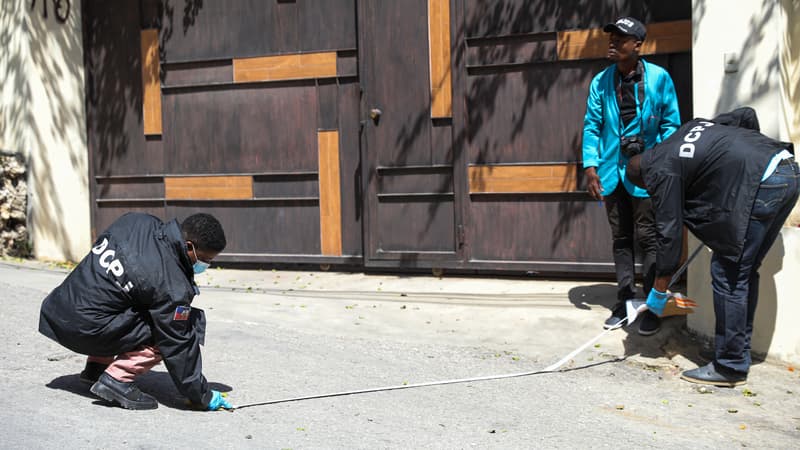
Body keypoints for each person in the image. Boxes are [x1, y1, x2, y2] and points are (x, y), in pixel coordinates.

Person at [626, 107, 798, 386]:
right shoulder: (685, 131)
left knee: (728, 273)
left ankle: (730, 367)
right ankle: (733, 351)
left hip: (766, 184)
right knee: (742, 270)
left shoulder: (660, 172)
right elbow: (745, 114)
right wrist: (747, 164)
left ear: (645, 182)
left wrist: (658, 291)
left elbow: (669, 234)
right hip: (787, 169)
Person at [39, 212, 233, 410]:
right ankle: (116, 379)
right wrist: (202, 395)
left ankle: (96, 368)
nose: (205, 265)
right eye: (204, 259)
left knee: (119, 296)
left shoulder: (136, 221)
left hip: (59, 310)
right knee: (177, 325)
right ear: (189, 247)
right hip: (85, 331)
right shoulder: (172, 284)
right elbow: (177, 343)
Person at [582, 16, 682, 335]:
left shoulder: (659, 79)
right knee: (621, 238)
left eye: (619, 38)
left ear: (637, 45)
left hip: (648, 173)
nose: (612, 42)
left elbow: (671, 126)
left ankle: (653, 306)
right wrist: (590, 166)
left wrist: (657, 160)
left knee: (650, 239)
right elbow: (591, 126)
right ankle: (625, 300)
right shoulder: (601, 81)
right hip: (612, 172)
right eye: (610, 37)